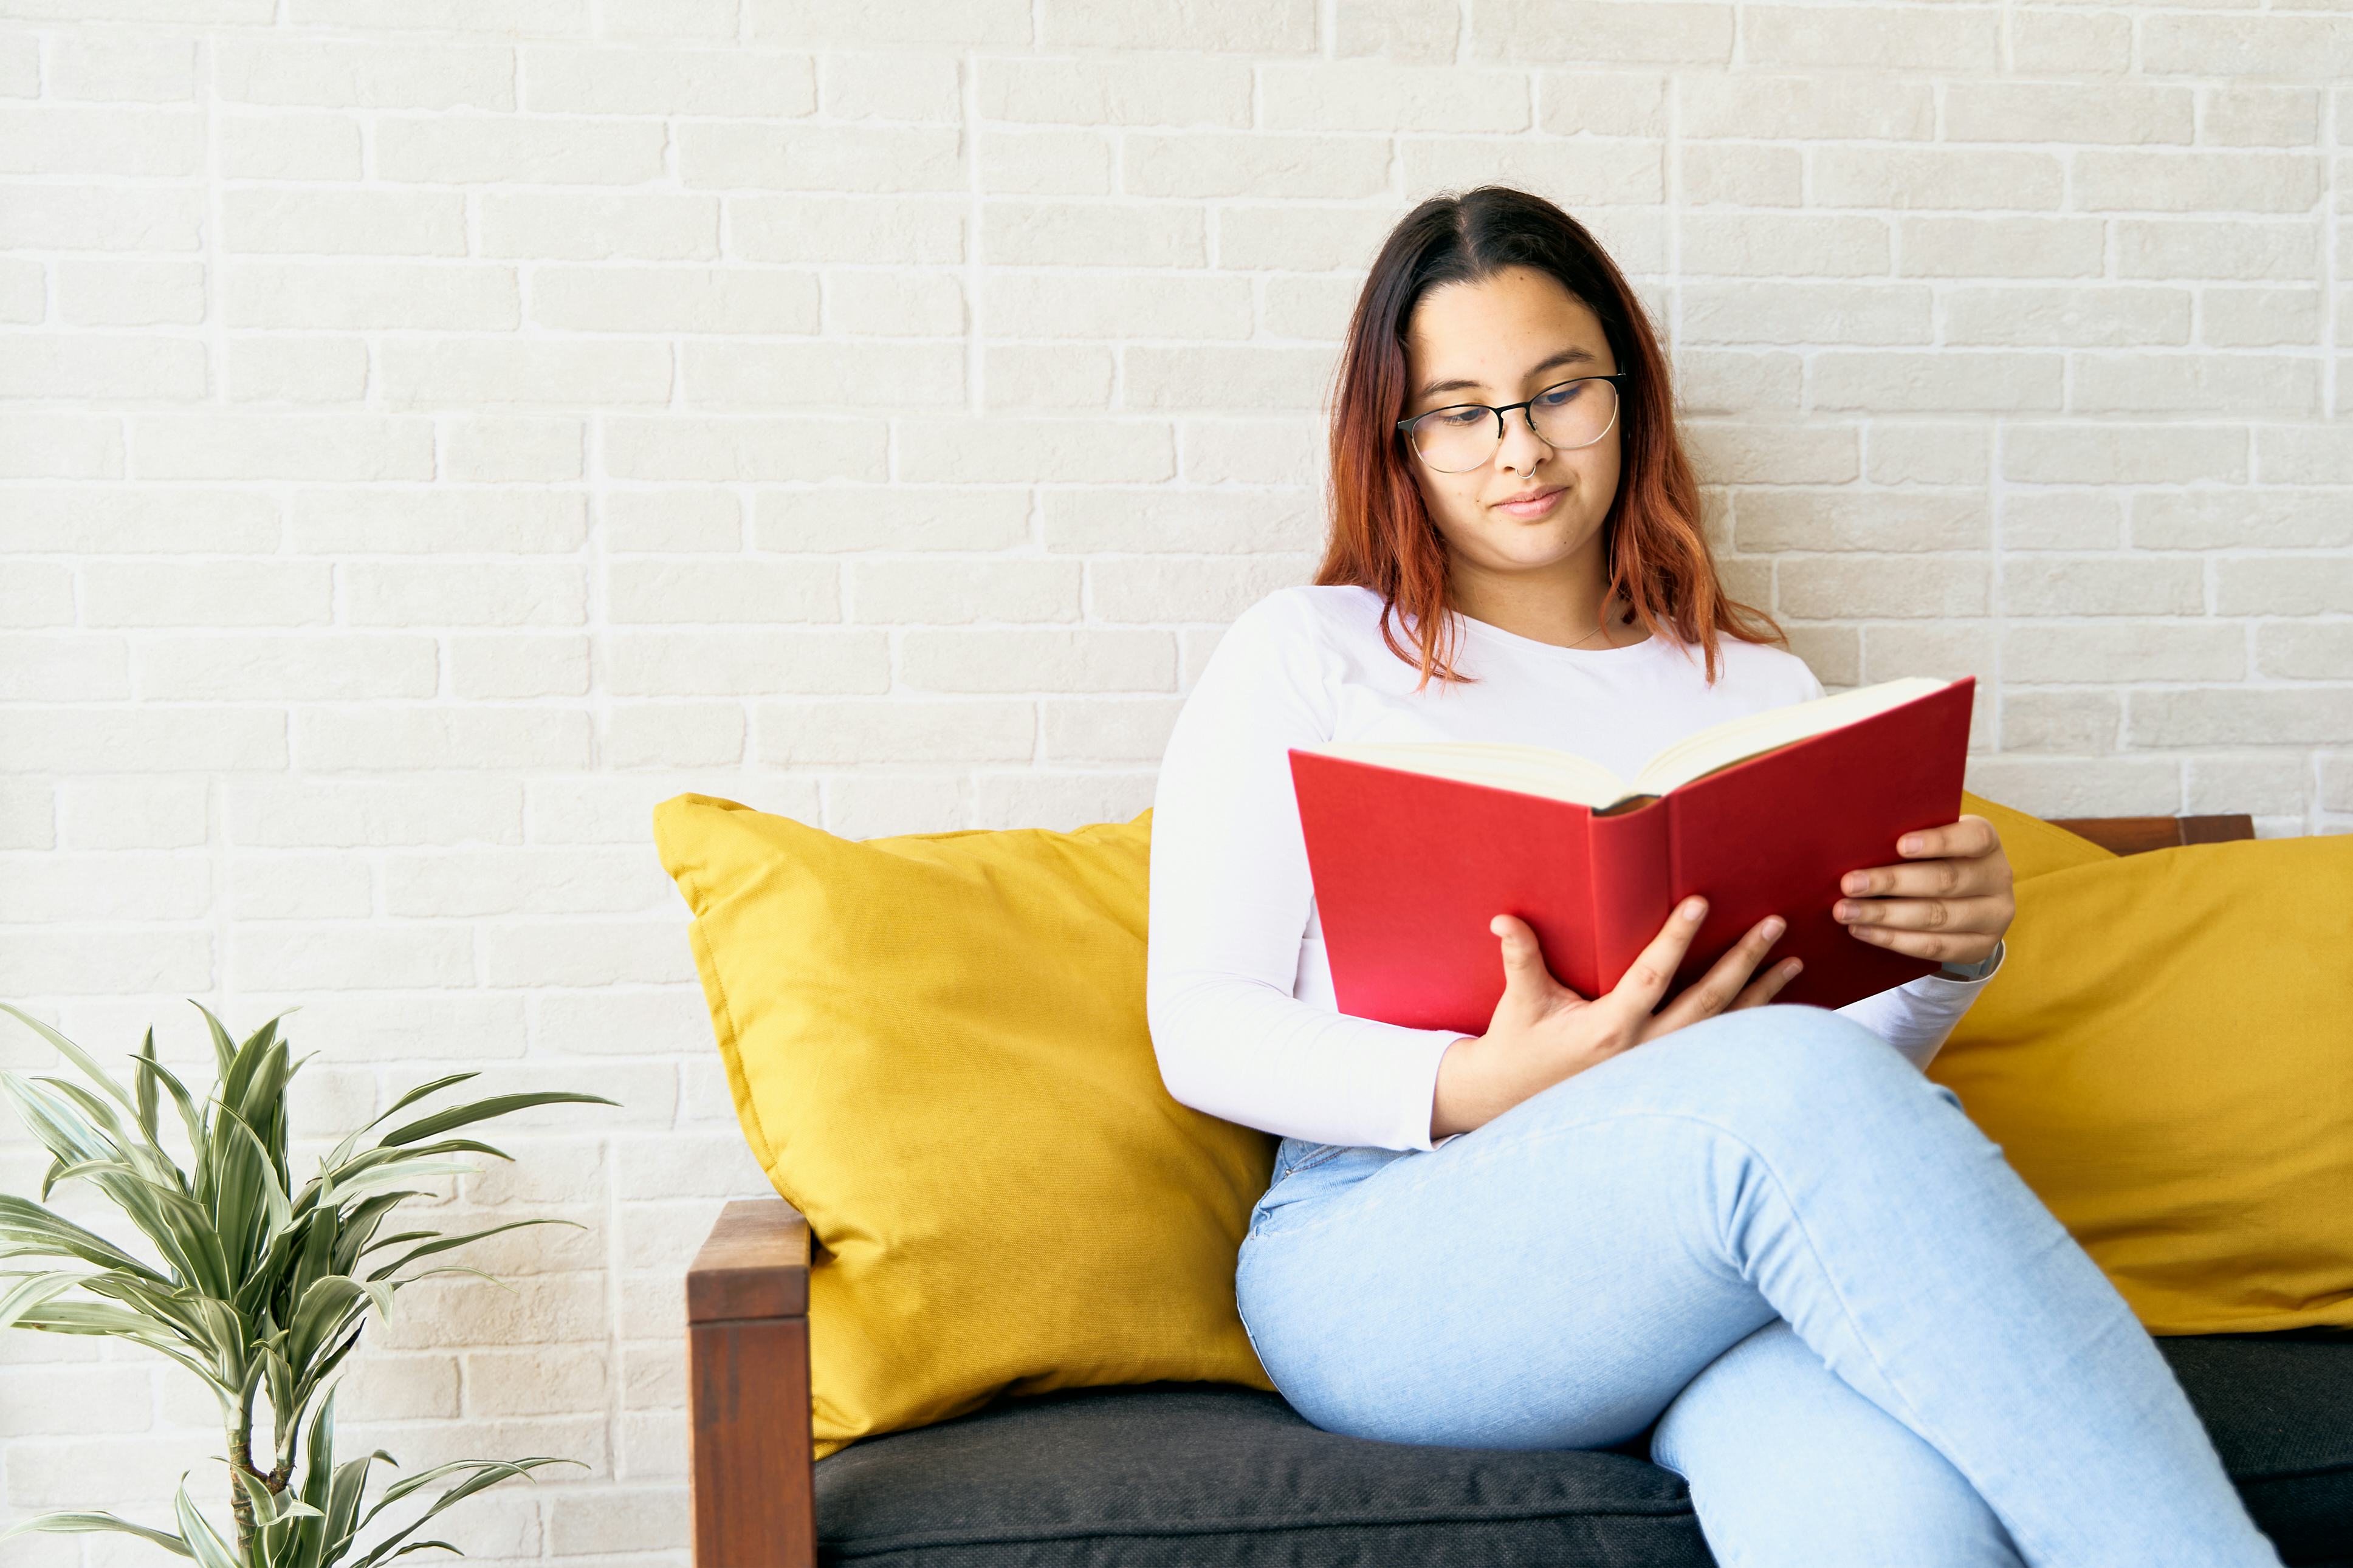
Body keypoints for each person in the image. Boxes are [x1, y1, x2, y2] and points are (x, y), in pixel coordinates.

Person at [1142, 185, 2281, 1568]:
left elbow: (1838, 1076)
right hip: (1391, 1243)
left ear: (1629, 395)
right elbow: (1200, 1020)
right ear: (1396, 437)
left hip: (1711, 1256)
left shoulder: (1751, 684)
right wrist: (1481, 1082)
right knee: (1784, 1097)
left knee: (1887, 1521)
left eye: (1560, 391)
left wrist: (1943, 960)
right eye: (1458, 410)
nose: (1520, 449)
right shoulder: (1311, 650)